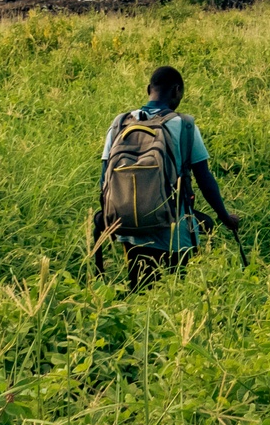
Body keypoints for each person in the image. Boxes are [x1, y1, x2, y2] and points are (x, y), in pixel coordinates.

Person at [96, 65, 240, 289]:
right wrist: (225, 217)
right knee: (175, 294)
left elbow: (104, 180)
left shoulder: (119, 123)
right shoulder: (183, 125)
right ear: (177, 91)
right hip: (174, 234)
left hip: (129, 231)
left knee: (138, 291)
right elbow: (204, 179)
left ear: (148, 89)